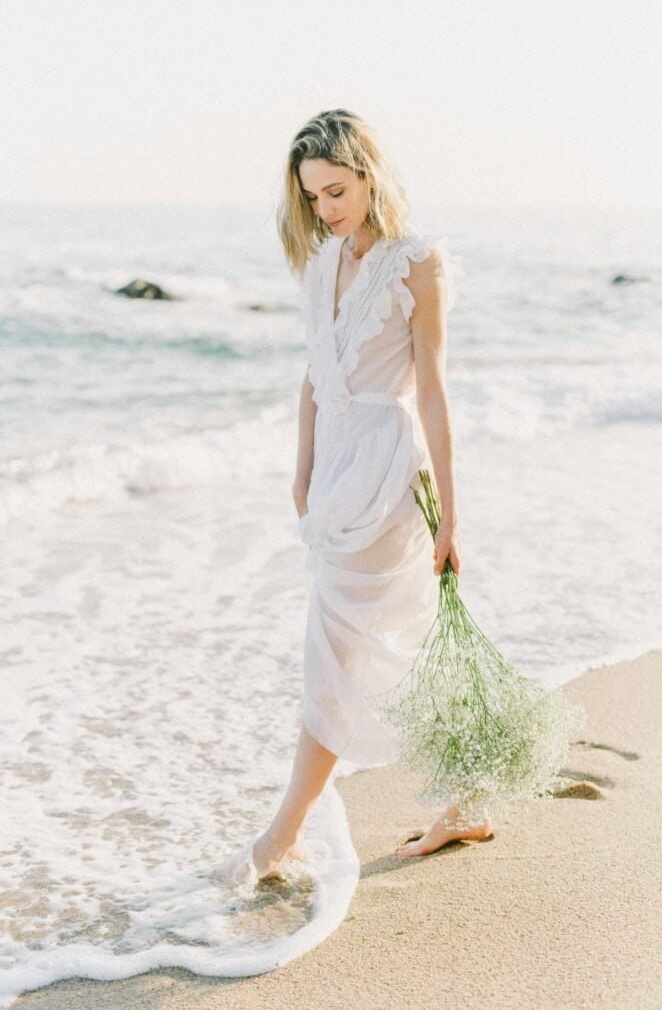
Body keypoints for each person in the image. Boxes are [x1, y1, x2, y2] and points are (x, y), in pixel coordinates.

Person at [213, 109, 492, 886]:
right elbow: (314, 375)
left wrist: (454, 511)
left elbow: (432, 390)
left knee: (335, 649)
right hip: (332, 471)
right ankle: (466, 797)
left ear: (369, 173)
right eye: (312, 198)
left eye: (336, 190)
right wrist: (299, 471)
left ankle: (282, 837)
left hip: (387, 469)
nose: (326, 209)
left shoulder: (419, 263)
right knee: (394, 644)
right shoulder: (321, 259)